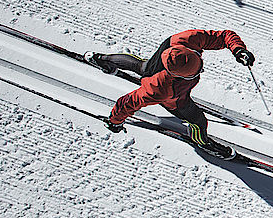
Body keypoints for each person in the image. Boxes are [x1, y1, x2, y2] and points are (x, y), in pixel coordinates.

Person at [84, 30, 255, 160]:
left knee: (143, 67)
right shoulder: (159, 89)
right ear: (180, 76)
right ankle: (202, 142)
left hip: (161, 58)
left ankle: (102, 59)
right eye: (193, 74)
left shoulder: (186, 40)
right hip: (176, 99)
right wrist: (115, 121)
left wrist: (238, 49)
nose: (200, 70)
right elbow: (129, 102)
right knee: (198, 121)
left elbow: (223, 35)